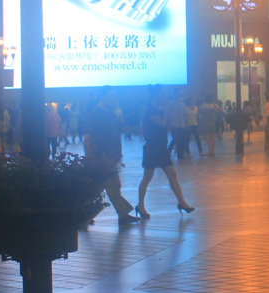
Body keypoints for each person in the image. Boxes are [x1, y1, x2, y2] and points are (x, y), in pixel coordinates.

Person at [82, 89, 139, 226]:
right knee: (109, 185)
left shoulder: (111, 114)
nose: (114, 100)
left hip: (109, 156)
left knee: (102, 186)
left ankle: (85, 215)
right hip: (101, 157)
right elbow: (87, 136)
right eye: (111, 97)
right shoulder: (95, 114)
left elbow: (121, 128)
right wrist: (89, 156)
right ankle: (121, 213)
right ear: (103, 98)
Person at [136, 87, 195, 218]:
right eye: (162, 94)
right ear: (155, 95)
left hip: (161, 148)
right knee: (147, 177)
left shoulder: (160, 109)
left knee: (172, 174)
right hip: (152, 148)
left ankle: (182, 202)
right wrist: (168, 111)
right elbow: (162, 124)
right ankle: (140, 205)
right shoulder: (151, 110)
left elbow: (166, 126)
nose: (164, 96)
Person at [165, 92, 188, 160]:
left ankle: (180, 155)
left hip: (182, 124)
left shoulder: (182, 103)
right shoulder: (171, 103)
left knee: (182, 140)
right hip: (174, 123)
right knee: (175, 139)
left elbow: (184, 113)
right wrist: (168, 123)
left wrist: (186, 122)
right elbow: (169, 113)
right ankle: (168, 152)